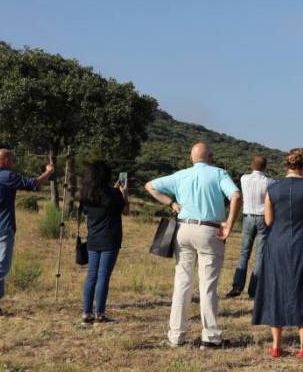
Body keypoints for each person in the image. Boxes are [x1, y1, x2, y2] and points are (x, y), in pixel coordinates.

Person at [146, 143, 242, 349]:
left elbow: (150, 186)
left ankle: (176, 335)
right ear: (210, 157)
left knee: (182, 282)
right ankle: (210, 337)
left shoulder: (180, 175)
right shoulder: (219, 173)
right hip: (209, 230)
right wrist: (229, 225)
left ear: (192, 159)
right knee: (208, 285)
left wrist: (171, 203)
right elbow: (236, 195)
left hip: (183, 230)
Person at [252, 149, 303, 358]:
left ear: (287, 165)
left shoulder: (272, 189)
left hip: (278, 243)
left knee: (276, 287)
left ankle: (276, 345)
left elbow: (268, 221)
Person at [0, 149, 54, 316]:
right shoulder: (6, 176)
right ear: (4, 160)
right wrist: (48, 172)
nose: (14, 163)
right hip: (2, 229)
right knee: (0, 267)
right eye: (13, 160)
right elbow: (33, 184)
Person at [79, 161, 130, 325]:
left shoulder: (86, 195)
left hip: (93, 239)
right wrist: (124, 193)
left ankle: (87, 313)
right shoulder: (114, 195)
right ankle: (100, 314)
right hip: (110, 239)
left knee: (91, 275)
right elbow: (126, 211)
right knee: (103, 277)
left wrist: (115, 191)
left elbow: (89, 212)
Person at [227, 155, 275, 299]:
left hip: (248, 217)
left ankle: (237, 286)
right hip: (263, 218)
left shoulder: (243, 178)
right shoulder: (270, 182)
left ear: (251, 166)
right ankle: (254, 290)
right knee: (260, 255)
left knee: (244, 253)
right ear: (265, 167)